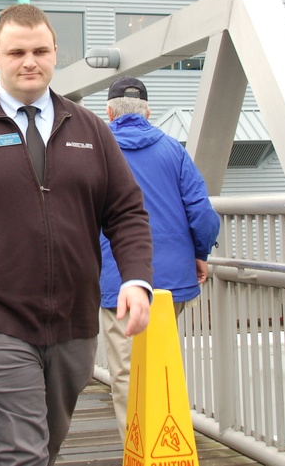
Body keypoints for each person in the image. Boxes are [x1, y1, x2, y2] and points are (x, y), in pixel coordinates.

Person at [0, 3, 154, 466]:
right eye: (16, 51)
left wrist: (137, 279)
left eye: (40, 50)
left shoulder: (92, 131)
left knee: (44, 446)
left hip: (73, 327)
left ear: (56, 53)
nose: (29, 61)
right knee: (22, 451)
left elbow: (126, 212)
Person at [99, 76, 221, 443]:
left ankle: (138, 449)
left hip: (116, 277)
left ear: (108, 112)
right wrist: (198, 254)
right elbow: (202, 212)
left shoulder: (97, 151)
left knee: (125, 372)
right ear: (148, 112)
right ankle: (169, 443)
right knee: (164, 364)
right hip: (172, 279)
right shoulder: (173, 149)